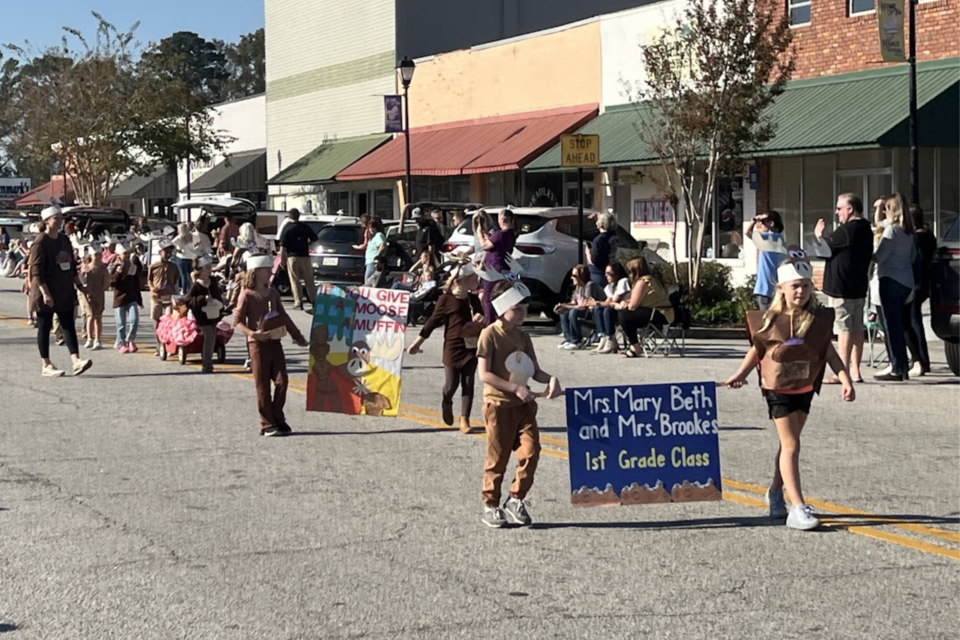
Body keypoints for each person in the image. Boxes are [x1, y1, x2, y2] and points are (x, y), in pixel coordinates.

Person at [725, 251, 855, 531]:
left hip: (804, 387)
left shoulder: (816, 319)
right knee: (792, 445)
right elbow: (757, 351)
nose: (801, 291)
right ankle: (797, 507)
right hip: (778, 388)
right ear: (781, 289)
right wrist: (740, 375)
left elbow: (829, 353)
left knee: (788, 445)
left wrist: (845, 378)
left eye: (806, 285)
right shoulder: (771, 319)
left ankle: (775, 491)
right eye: (795, 285)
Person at [477, 279, 562, 528]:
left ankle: (516, 499)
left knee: (531, 452)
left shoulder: (523, 336)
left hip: (524, 407)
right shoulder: (489, 334)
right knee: (498, 458)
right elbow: (485, 374)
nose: (524, 313)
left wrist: (552, 380)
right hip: (498, 405)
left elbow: (535, 371)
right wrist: (514, 388)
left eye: (526, 308)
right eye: (518, 309)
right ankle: (490, 504)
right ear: (503, 307)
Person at [407, 262, 486, 434]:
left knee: (468, 382)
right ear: (463, 280)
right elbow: (432, 323)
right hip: (452, 347)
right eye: (474, 277)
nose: (477, 281)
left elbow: (483, 321)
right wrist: (416, 344)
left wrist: (482, 319)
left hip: (470, 346)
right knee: (451, 385)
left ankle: (465, 419)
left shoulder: (474, 300)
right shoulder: (446, 299)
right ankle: (446, 401)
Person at [234, 255, 308, 437]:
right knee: (262, 386)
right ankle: (267, 424)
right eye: (268, 269)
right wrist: (252, 333)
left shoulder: (273, 294)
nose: (271, 273)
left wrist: (298, 337)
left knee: (282, 381)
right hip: (257, 346)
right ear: (257, 272)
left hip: (275, 343)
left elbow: (284, 317)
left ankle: (277, 417)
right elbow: (237, 321)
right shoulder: (247, 295)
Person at [815, 193, 874, 383]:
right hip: (858, 285)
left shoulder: (847, 230)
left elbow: (823, 250)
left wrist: (819, 236)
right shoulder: (866, 228)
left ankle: (842, 371)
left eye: (840, 208)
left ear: (850, 209)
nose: (837, 212)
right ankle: (855, 370)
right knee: (857, 327)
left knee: (844, 327)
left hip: (842, 286)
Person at [28, 206, 92, 377]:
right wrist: (45, 293)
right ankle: (46, 364)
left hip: (64, 291)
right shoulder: (40, 242)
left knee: (68, 326)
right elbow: (36, 272)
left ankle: (76, 361)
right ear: (47, 221)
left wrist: (80, 286)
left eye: (61, 218)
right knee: (44, 326)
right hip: (46, 293)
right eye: (56, 218)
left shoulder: (64, 240)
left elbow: (71, 268)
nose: (60, 221)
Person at [872, 193, 916, 382]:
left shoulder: (892, 232)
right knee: (898, 324)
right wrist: (878, 211)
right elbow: (913, 256)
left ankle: (897, 367)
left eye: (886, 208)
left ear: (892, 210)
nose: (885, 213)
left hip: (890, 279)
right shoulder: (907, 232)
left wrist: (867, 251)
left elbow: (878, 257)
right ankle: (902, 365)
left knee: (890, 325)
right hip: (907, 281)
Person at [617, 257, 674, 358]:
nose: (629, 274)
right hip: (665, 313)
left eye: (630, 271)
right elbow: (640, 299)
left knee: (624, 315)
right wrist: (626, 302)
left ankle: (636, 346)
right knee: (626, 315)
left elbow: (633, 306)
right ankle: (634, 344)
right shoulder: (652, 279)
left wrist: (623, 305)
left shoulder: (643, 281)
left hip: (659, 314)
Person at [906, 204, 935, 377]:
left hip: (916, 282)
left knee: (913, 319)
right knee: (915, 318)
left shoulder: (916, 239)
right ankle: (923, 359)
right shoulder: (929, 235)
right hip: (926, 282)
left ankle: (921, 359)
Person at [182, 256, 224, 373]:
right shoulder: (196, 285)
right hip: (201, 315)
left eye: (210, 267)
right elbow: (188, 300)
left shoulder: (213, 281)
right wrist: (202, 299)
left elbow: (218, 297)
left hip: (214, 313)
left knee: (212, 337)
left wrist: (222, 308)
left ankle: (207, 359)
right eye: (207, 267)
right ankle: (207, 364)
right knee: (209, 336)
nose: (210, 269)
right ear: (200, 269)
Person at [479, 209, 518, 324]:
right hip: (504, 268)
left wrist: (479, 233)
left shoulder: (501, 234)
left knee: (488, 297)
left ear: (502, 219)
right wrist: (489, 236)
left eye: (499, 218)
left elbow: (485, 246)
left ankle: (490, 323)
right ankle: (501, 321)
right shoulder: (511, 233)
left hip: (494, 269)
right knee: (499, 296)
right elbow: (495, 241)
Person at [278, 208, 318, 311]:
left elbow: (283, 246)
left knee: (295, 280)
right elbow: (315, 238)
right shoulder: (305, 227)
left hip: (292, 257)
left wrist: (282, 258)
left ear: (289, 216)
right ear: (298, 216)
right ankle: (314, 301)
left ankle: (298, 302)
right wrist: (307, 244)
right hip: (305, 256)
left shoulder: (288, 228)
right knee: (309, 280)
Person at [556, 264, 604, 350]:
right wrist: (563, 306)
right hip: (582, 310)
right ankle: (569, 339)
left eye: (574, 275)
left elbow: (586, 304)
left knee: (573, 312)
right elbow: (574, 302)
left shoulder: (590, 285)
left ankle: (577, 341)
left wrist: (568, 307)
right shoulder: (578, 286)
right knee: (564, 312)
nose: (571, 278)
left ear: (581, 276)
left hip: (592, 312)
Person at [746, 210, 786, 311]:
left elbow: (747, 232)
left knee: (766, 318)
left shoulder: (767, 237)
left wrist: (754, 220)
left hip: (765, 287)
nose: (760, 224)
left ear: (771, 223)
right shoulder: (780, 239)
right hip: (779, 285)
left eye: (763, 221)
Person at [148, 241, 181, 357]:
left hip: (169, 296)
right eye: (166, 251)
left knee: (168, 320)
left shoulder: (174, 266)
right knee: (156, 320)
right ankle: (159, 345)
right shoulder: (153, 266)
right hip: (156, 297)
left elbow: (176, 279)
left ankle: (169, 345)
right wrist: (152, 288)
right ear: (160, 252)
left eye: (170, 252)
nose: (168, 254)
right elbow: (149, 280)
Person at [589, 261, 630, 354]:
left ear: (616, 273)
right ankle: (603, 338)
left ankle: (610, 339)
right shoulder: (609, 287)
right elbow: (608, 301)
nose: (606, 276)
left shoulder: (623, 282)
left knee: (607, 310)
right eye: (605, 273)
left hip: (625, 310)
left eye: (609, 273)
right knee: (598, 309)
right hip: (615, 310)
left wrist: (597, 302)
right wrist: (596, 304)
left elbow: (614, 301)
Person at [111, 244, 143, 353]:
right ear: (119, 254)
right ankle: (121, 343)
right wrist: (118, 272)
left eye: (129, 253)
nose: (127, 255)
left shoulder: (133, 266)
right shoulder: (114, 266)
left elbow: (136, 283)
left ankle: (130, 340)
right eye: (125, 253)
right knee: (121, 324)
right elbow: (111, 283)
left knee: (134, 319)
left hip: (131, 298)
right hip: (119, 299)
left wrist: (139, 299)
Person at [79, 245, 108, 350]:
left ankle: (98, 339)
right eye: (96, 255)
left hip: (99, 294)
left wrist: (103, 287)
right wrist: (83, 274)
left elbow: (106, 283)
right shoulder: (86, 267)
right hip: (87, 294)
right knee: (90, 315)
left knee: (98, 316)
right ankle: (90, 338)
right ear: (91, 256)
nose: (98, 257)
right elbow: (81, 280)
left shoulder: (103, 268)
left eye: (100, 255)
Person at [585, 212, 618, 287]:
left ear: (601, 223)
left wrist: (588, 254)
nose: (596, 223)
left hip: (598, 274)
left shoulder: (599, 240)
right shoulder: (614, 236)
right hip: (611, 271)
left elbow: (595, 261)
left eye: (598, 221)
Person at [171, 223, 194, 294]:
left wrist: (177, 250)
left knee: (183, 275)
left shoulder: (179, 237)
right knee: (191, 275)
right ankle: (192, 289)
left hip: (182, 257)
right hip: (190, 257)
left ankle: (184, 290)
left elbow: (171, 244)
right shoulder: (191, 236)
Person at [363, 217, 386, 282]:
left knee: (368, 282)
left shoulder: (378, 235)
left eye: (371, 228)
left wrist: (377, 258)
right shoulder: (373, 237)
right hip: (369, 262)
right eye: (369, 228)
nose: (370, 230)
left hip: (373, 263)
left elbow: (382, 246)